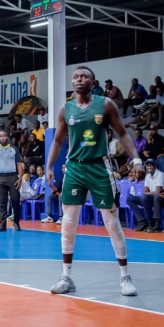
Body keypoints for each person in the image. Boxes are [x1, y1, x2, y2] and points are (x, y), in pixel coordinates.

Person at [46, 66, 143, 297]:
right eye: (75, 77)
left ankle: (125, 277)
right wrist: (49, 166)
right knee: (68, 223)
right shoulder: (66, 108)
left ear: (93, 82)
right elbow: (57, 141)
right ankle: (66, 277)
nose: (79, 79)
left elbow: (122, 133)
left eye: (84, 77)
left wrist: (137, 159)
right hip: (74, 168)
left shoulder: (105, 104)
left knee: (112, 223)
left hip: (100, 167)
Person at [0, 131, 23, 232]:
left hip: (12, 176)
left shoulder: (14, 149)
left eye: (4, 136)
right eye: (0, 136)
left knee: (15, 199)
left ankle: (16, 222)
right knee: (2, 201)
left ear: (7, 137)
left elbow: (19, 164)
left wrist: (20, 178)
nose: (2, 138)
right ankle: (2, 225)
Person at [128, 160, 164, 232]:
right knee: (130, 199)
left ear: (155, 166)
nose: (149, 167)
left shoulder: (160, 174)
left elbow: (157, 192)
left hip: (161, 199)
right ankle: (142, 221)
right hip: (151, 198)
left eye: (151, 165)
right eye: (148, 165)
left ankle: (151, 222)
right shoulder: (148, 176)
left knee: (144, 198)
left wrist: (148, 193)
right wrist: (150, 193)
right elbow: (145, 191)